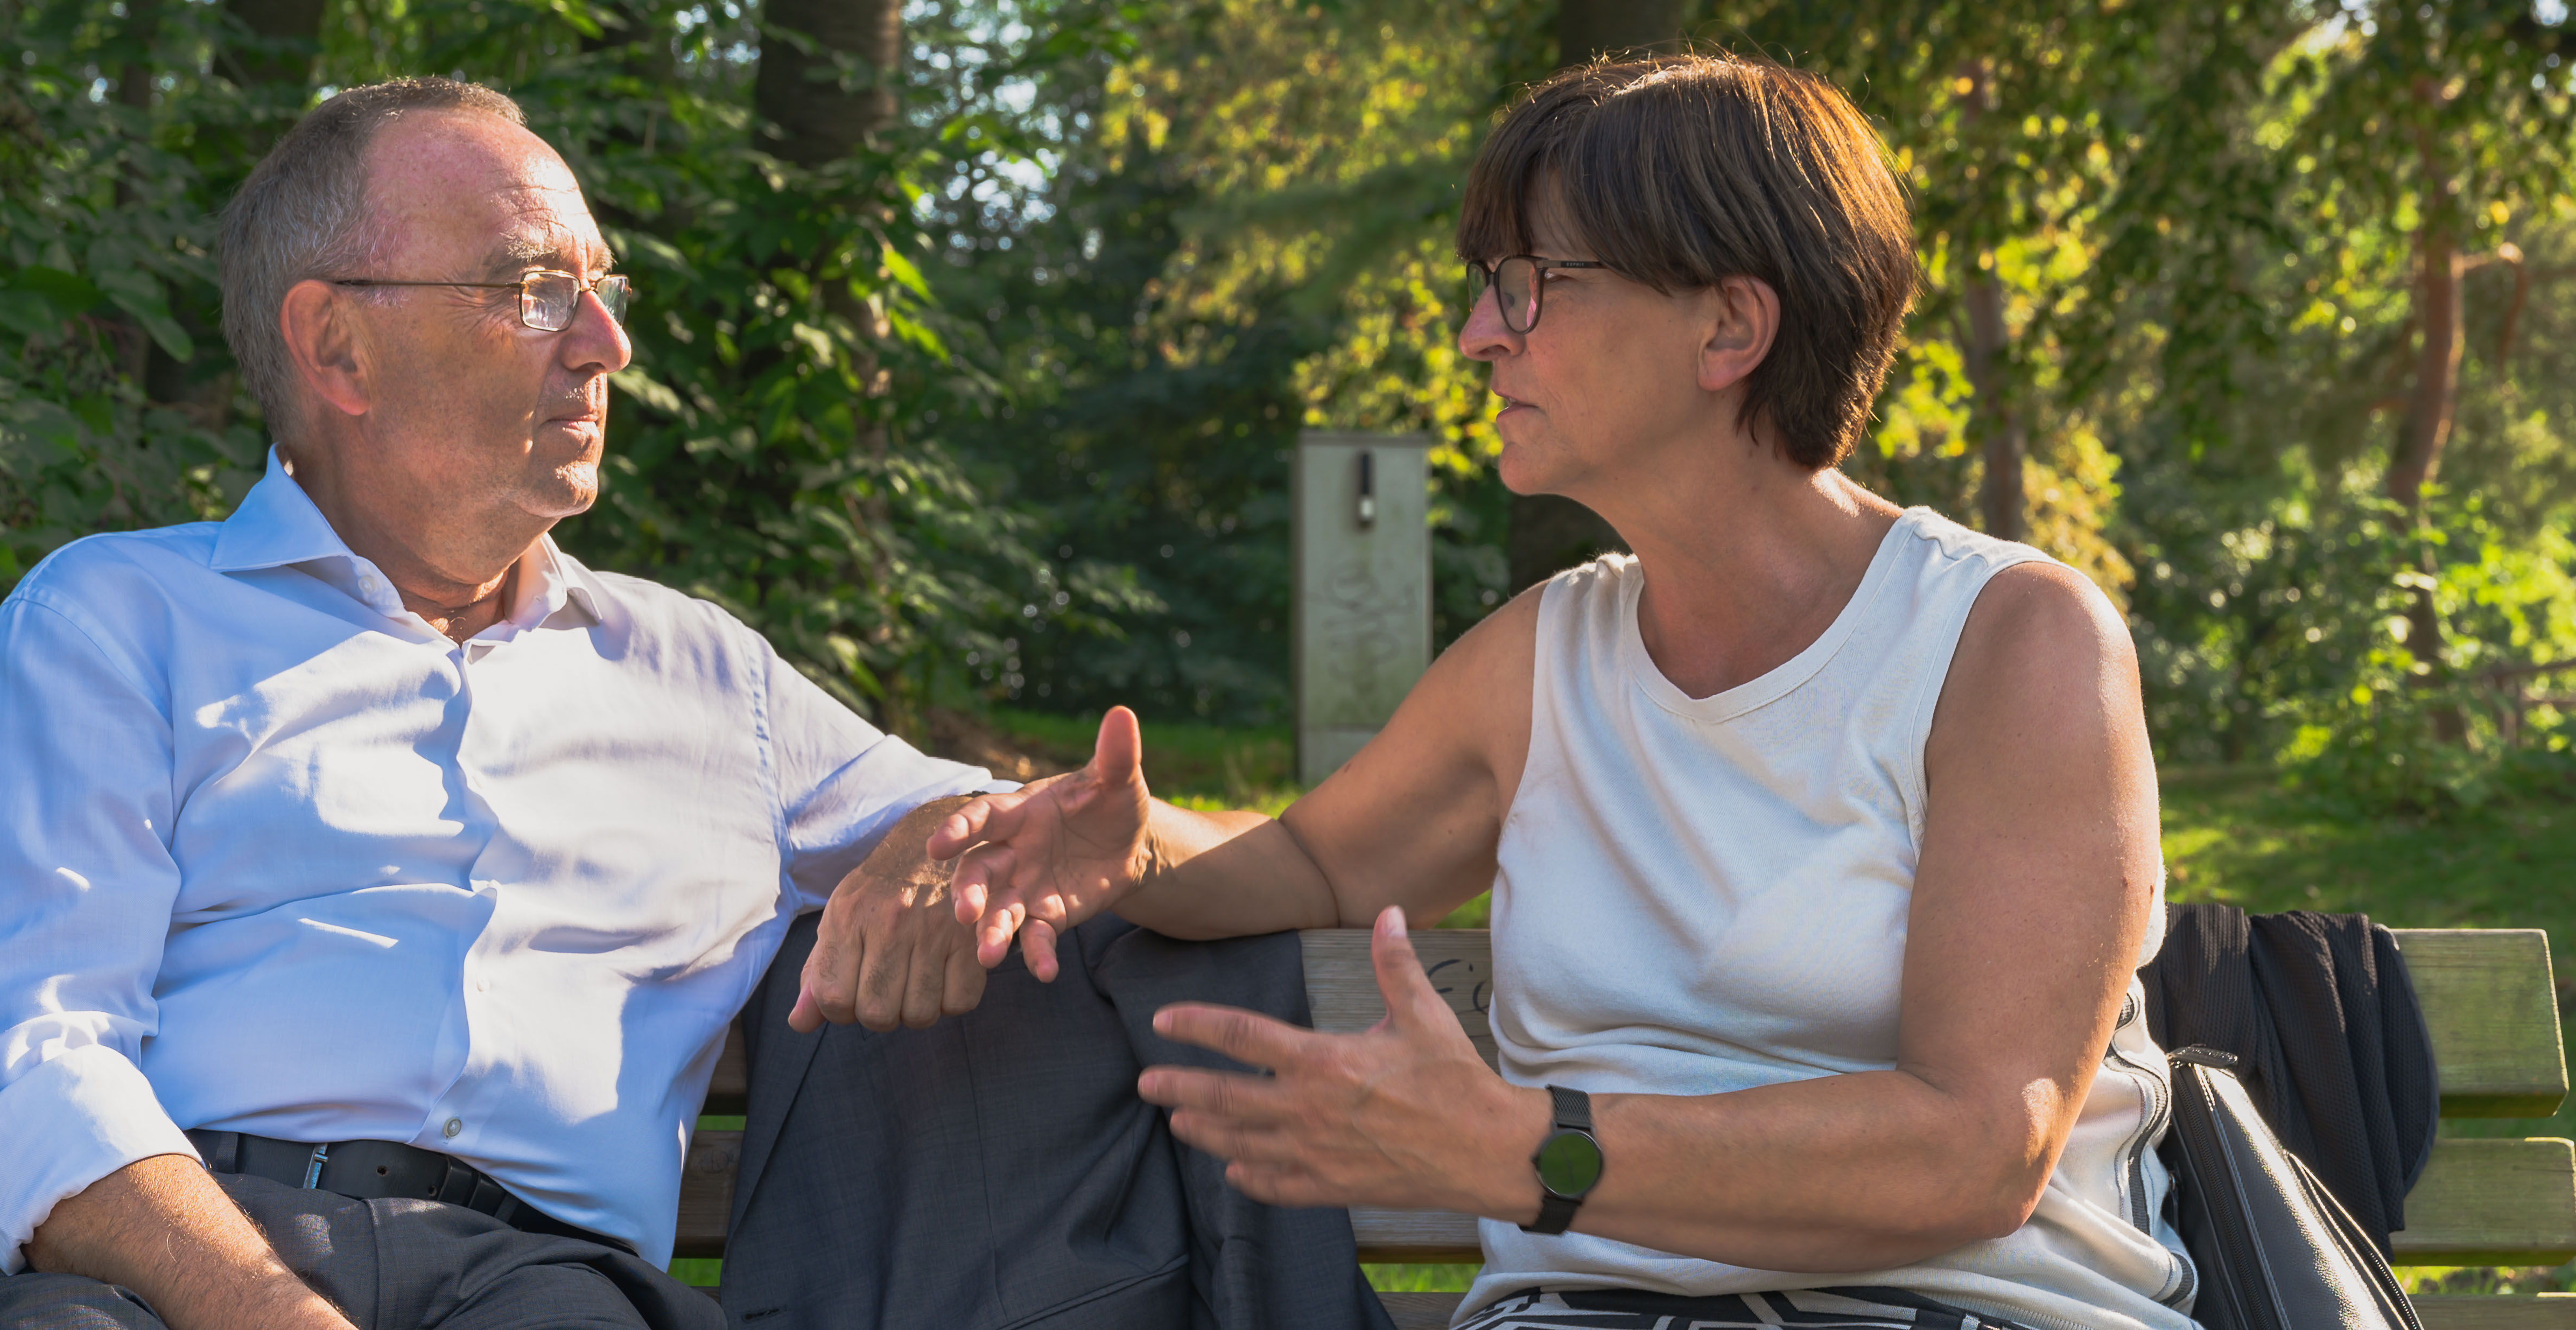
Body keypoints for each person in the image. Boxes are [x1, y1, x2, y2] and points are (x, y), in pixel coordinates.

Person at [901, 54, 2201, 1330]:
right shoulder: (1548, 653)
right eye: (1488, 288)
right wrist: (1127, 843)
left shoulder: (2010, 642)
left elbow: (1981, 1147)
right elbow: (1313, 861)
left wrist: (1537, 1147)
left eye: (1532, 287)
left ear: (1730, 326)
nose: (1478, 336)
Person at [0, 78, 1013, 1330]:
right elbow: (26, 1064)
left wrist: (939, 834)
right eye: (531, 291)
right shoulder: (113, 619)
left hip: (536, 1290)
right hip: (132, 1268)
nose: (604, 346)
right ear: (336, 347)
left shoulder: (707, 678)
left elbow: (1070, 836)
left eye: (602, 290)